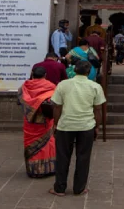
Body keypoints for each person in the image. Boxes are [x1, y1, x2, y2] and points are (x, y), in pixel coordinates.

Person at [49, 60, 106, 197]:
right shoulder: (95, 86)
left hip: (66, 125)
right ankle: (79, 188)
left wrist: (56, 124)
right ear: (88, 72)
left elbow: (57, 106)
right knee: (83, 157)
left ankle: (60, 188)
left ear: (74, 70)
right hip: (86, 126)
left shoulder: (63, 85)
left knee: (62, 157)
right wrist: (97, 126)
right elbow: (98, 109)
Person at [18, 66, 57, 178]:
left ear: (32, 74)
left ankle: (33, 170)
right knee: (47, 144)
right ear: (45, 75)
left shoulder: (24, 87)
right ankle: (48, 168)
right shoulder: (51, 86)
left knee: (30, 143)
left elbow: (20, 102)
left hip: (30, 121)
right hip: (45, 121)